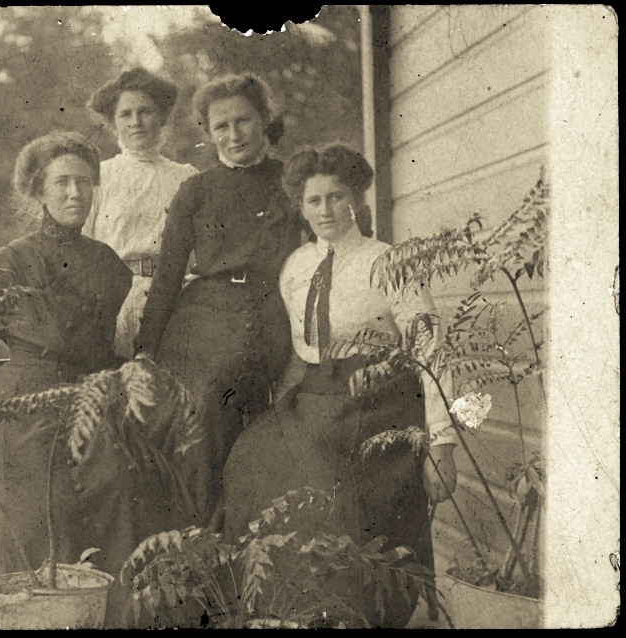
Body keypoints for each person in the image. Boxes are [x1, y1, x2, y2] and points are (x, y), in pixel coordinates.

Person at [221, 144, 458, 628]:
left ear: (356, 200)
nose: (325, 210)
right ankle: (293, 608)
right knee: (250, 459)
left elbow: (429, 349)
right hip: (317, 395)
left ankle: (364, 614)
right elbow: (299, 351)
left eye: (336, 197)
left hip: (380, 401)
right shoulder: (296, 267)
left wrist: (442, 442)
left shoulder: (389, 261)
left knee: (351, 500)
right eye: (314, 200)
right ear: (301, 207)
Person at [0, 131, 136, 624]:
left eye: (84, 182)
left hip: (90, 402)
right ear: (37, 191)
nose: (75, 194)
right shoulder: (8, 263)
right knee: (26, 521)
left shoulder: (110, 267)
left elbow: (109, 350)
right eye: (62, 183)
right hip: (21, 409)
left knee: (114, 496)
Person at [133, 72, 302, 529]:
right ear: (207, 134)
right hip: (204, 315)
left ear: (265, 119)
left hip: (273, 308)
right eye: (220, 126)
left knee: (264, 413)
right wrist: (146, 349)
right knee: (205, 408)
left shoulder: (293, 182)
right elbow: (168, 276)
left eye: (243, 121)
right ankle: (203, 539)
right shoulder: (196, 191)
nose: (233, 134)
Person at [82, 67, 200, 359]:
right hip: (114, 302)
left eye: (145, 111)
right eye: (125, 114)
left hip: (172, 303)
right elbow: (81, 248)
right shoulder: (99, 176)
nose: (136, 122)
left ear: (161, 116)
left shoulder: (187, 177)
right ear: (113, 122)